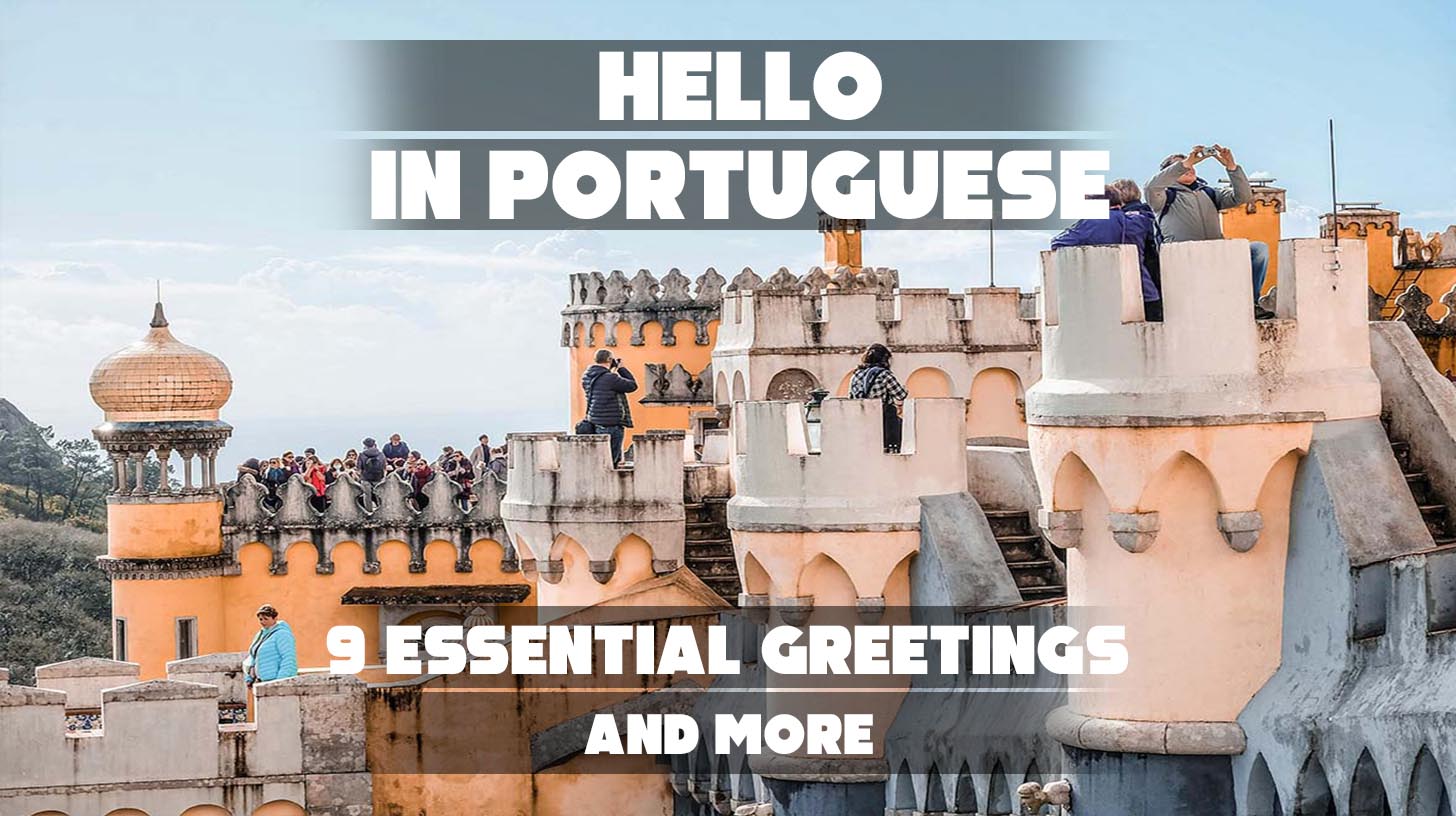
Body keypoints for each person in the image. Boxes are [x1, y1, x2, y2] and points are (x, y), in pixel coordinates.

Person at [1146, 144, 1273, 319]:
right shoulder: (1163, 197)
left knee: (1258, 250)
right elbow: (1151, 187)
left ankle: (1250, 302)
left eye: (1192, 165)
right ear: (1169, 173)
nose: (1189, 167)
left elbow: (1243, 197)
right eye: (1182, 165)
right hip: (1185, 259)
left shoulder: (1209, 192)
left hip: (1217, 253)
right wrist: (1186, 161)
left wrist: (1231, 167)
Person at [1050, 184, 1162, 322]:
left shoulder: (1091, 223)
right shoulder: (1140, 220)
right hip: (1146, 291)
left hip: (1108, 295)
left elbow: (1058, 243)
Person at [581, 348, 639, 466]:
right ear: (610, 360)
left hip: (595, 421)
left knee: (600, 459)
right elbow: (632, 386)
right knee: (611, 461)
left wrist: (610, 370)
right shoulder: (610, 378)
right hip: (612, 423)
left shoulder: (587, 376)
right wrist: (621, 368)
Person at [849, 343, 909, 453]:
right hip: (883, 419)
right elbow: (901, 395)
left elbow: (851, 397)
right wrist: (905, 389)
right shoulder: (884, 374)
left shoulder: (855, 375)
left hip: (861, 418)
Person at [243, 604, 297, 687]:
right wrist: (249, 678)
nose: (262, 622)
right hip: (261, 682)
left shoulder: (283, 634)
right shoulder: (260, 635)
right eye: (260, 619)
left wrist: (279, 682)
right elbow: (253, 656)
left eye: (266, 619)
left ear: (275, 618)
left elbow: (288, 659)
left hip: (274, 683)